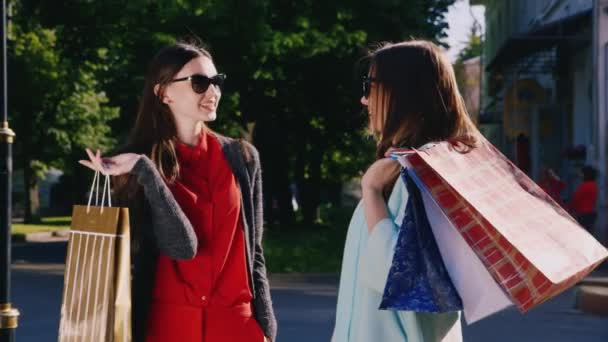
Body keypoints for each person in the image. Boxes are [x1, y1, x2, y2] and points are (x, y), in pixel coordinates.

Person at [79, 42, 276, 342]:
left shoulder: (242, 157)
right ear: (163, 92)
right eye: (199, 83)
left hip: (238, 328)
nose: (212, 93)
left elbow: (255, 254)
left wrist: (267, 330)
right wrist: (147, 172)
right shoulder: (131, 164)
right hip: (167, 328)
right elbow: (182, 247)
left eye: (216, 82)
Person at [332, 40, 479, 342]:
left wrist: (371, 192)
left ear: (405, 91)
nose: (364, 99)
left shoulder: (430, 177)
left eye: (369, 85)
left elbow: (399, 280)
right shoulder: (404, 169)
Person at [568, 165, 598, 233]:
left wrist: (569, 209)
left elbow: (576, 199)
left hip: (583, 214)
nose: (581, 175)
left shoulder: (584, 186)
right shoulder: (594, 185)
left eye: (582, 173)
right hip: (590, 213)